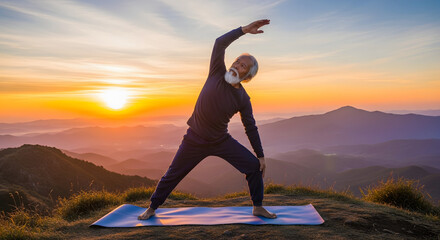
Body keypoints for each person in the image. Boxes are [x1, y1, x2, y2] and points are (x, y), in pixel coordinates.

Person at [138, 19, 276, 220]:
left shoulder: (243, 98)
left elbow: (250, 127)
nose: (237, 64)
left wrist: (261, 156)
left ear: (247, 76)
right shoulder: (216, 73)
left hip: (221, 141)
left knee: (254, 166)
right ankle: (152, 207)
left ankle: (258, 206)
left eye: (243, 65)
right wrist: (244, 30)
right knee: (172, 175)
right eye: (237, 60)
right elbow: (219, 43)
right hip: (194, 139)